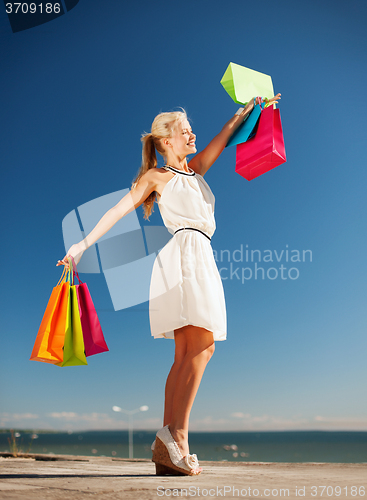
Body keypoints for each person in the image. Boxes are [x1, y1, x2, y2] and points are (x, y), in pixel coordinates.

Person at [57, 93, 281, 476]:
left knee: (190, 352)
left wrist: (254, 108)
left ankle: (169, 443)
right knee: (202, 346)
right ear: (165, 141)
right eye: (185, 130)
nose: (193, 134)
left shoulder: (197, 171)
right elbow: (118, 210)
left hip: (202, 256)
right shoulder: (157, 177)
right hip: (182, 256)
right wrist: (80, 245)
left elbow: (225, 136)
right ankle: (177, 437)